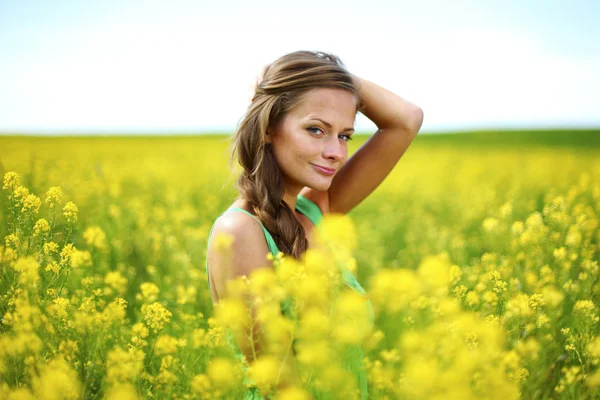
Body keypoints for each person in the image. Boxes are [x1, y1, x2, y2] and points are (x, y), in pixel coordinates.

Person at [205, 50, 423, 399]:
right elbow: (280, 386)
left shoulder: (315, 209)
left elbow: (407, 120)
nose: (336, 152)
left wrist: (335, 80)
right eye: (316, 130)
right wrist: (294, 83)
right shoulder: (240, 232)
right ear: (268, 128)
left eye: (344, 135)